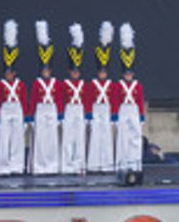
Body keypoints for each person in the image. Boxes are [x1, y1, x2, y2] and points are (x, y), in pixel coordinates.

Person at [30, 22, 61, 175]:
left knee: (52, 139)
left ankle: (52, 166)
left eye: (48, 70)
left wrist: (60, 114)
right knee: (41, 140)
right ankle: (39, 166)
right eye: (44, 70)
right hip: (41, 109)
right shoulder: (37, 82)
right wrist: (30, 116)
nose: (46, 72)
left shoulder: (56, 82)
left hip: (52, 108)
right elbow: (33, 99)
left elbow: (59, 99)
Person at [112, 27, 145, 174]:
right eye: (126, 74)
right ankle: (122, 163)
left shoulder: (138, 85)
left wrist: (142, 115)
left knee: (136, 136)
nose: (128, 76)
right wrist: (115, 115)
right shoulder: (119, 85)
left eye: (130, 74)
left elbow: (140, 100)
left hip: (134, 110)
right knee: (123, 137)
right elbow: (116, 100)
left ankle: (136, 163)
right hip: (123, 109)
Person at [85, 22, 116, 173]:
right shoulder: (93, 84)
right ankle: (93, 164)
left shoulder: (111, 84)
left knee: (107, 138)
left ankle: (107, 164)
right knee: (95, 137)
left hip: (107, 109)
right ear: (98, 73)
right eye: (101, 72)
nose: (103, 74)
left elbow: (114, 99)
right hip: (96, 110)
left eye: (105, 72)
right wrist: (89, 115)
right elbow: (89, 98)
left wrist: (114, 115)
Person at [0, 57, 29, 175]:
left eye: (11, 73)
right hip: (5, 109)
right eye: (7, 73)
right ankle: (3, 167)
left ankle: (17, 166)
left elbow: (24, 100)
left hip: (17, 109)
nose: (9, 75)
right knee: (4, 139)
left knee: (17, 139)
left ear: (14, 73)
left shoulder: (20, 84)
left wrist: (26, 117)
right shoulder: (0, 85)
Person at [59, 25, 88, 174]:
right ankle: (66, 165)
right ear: (70, 72)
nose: (75, 73)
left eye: (77, 71)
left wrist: (88, 115)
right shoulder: (65, 83)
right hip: (69, 109)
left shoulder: (83, 84)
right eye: (73, 71)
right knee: (68, 138)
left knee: (79, 138)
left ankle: (80, 165)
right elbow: (61, 98)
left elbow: (87, 99)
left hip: (80, 109)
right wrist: (60, 114)